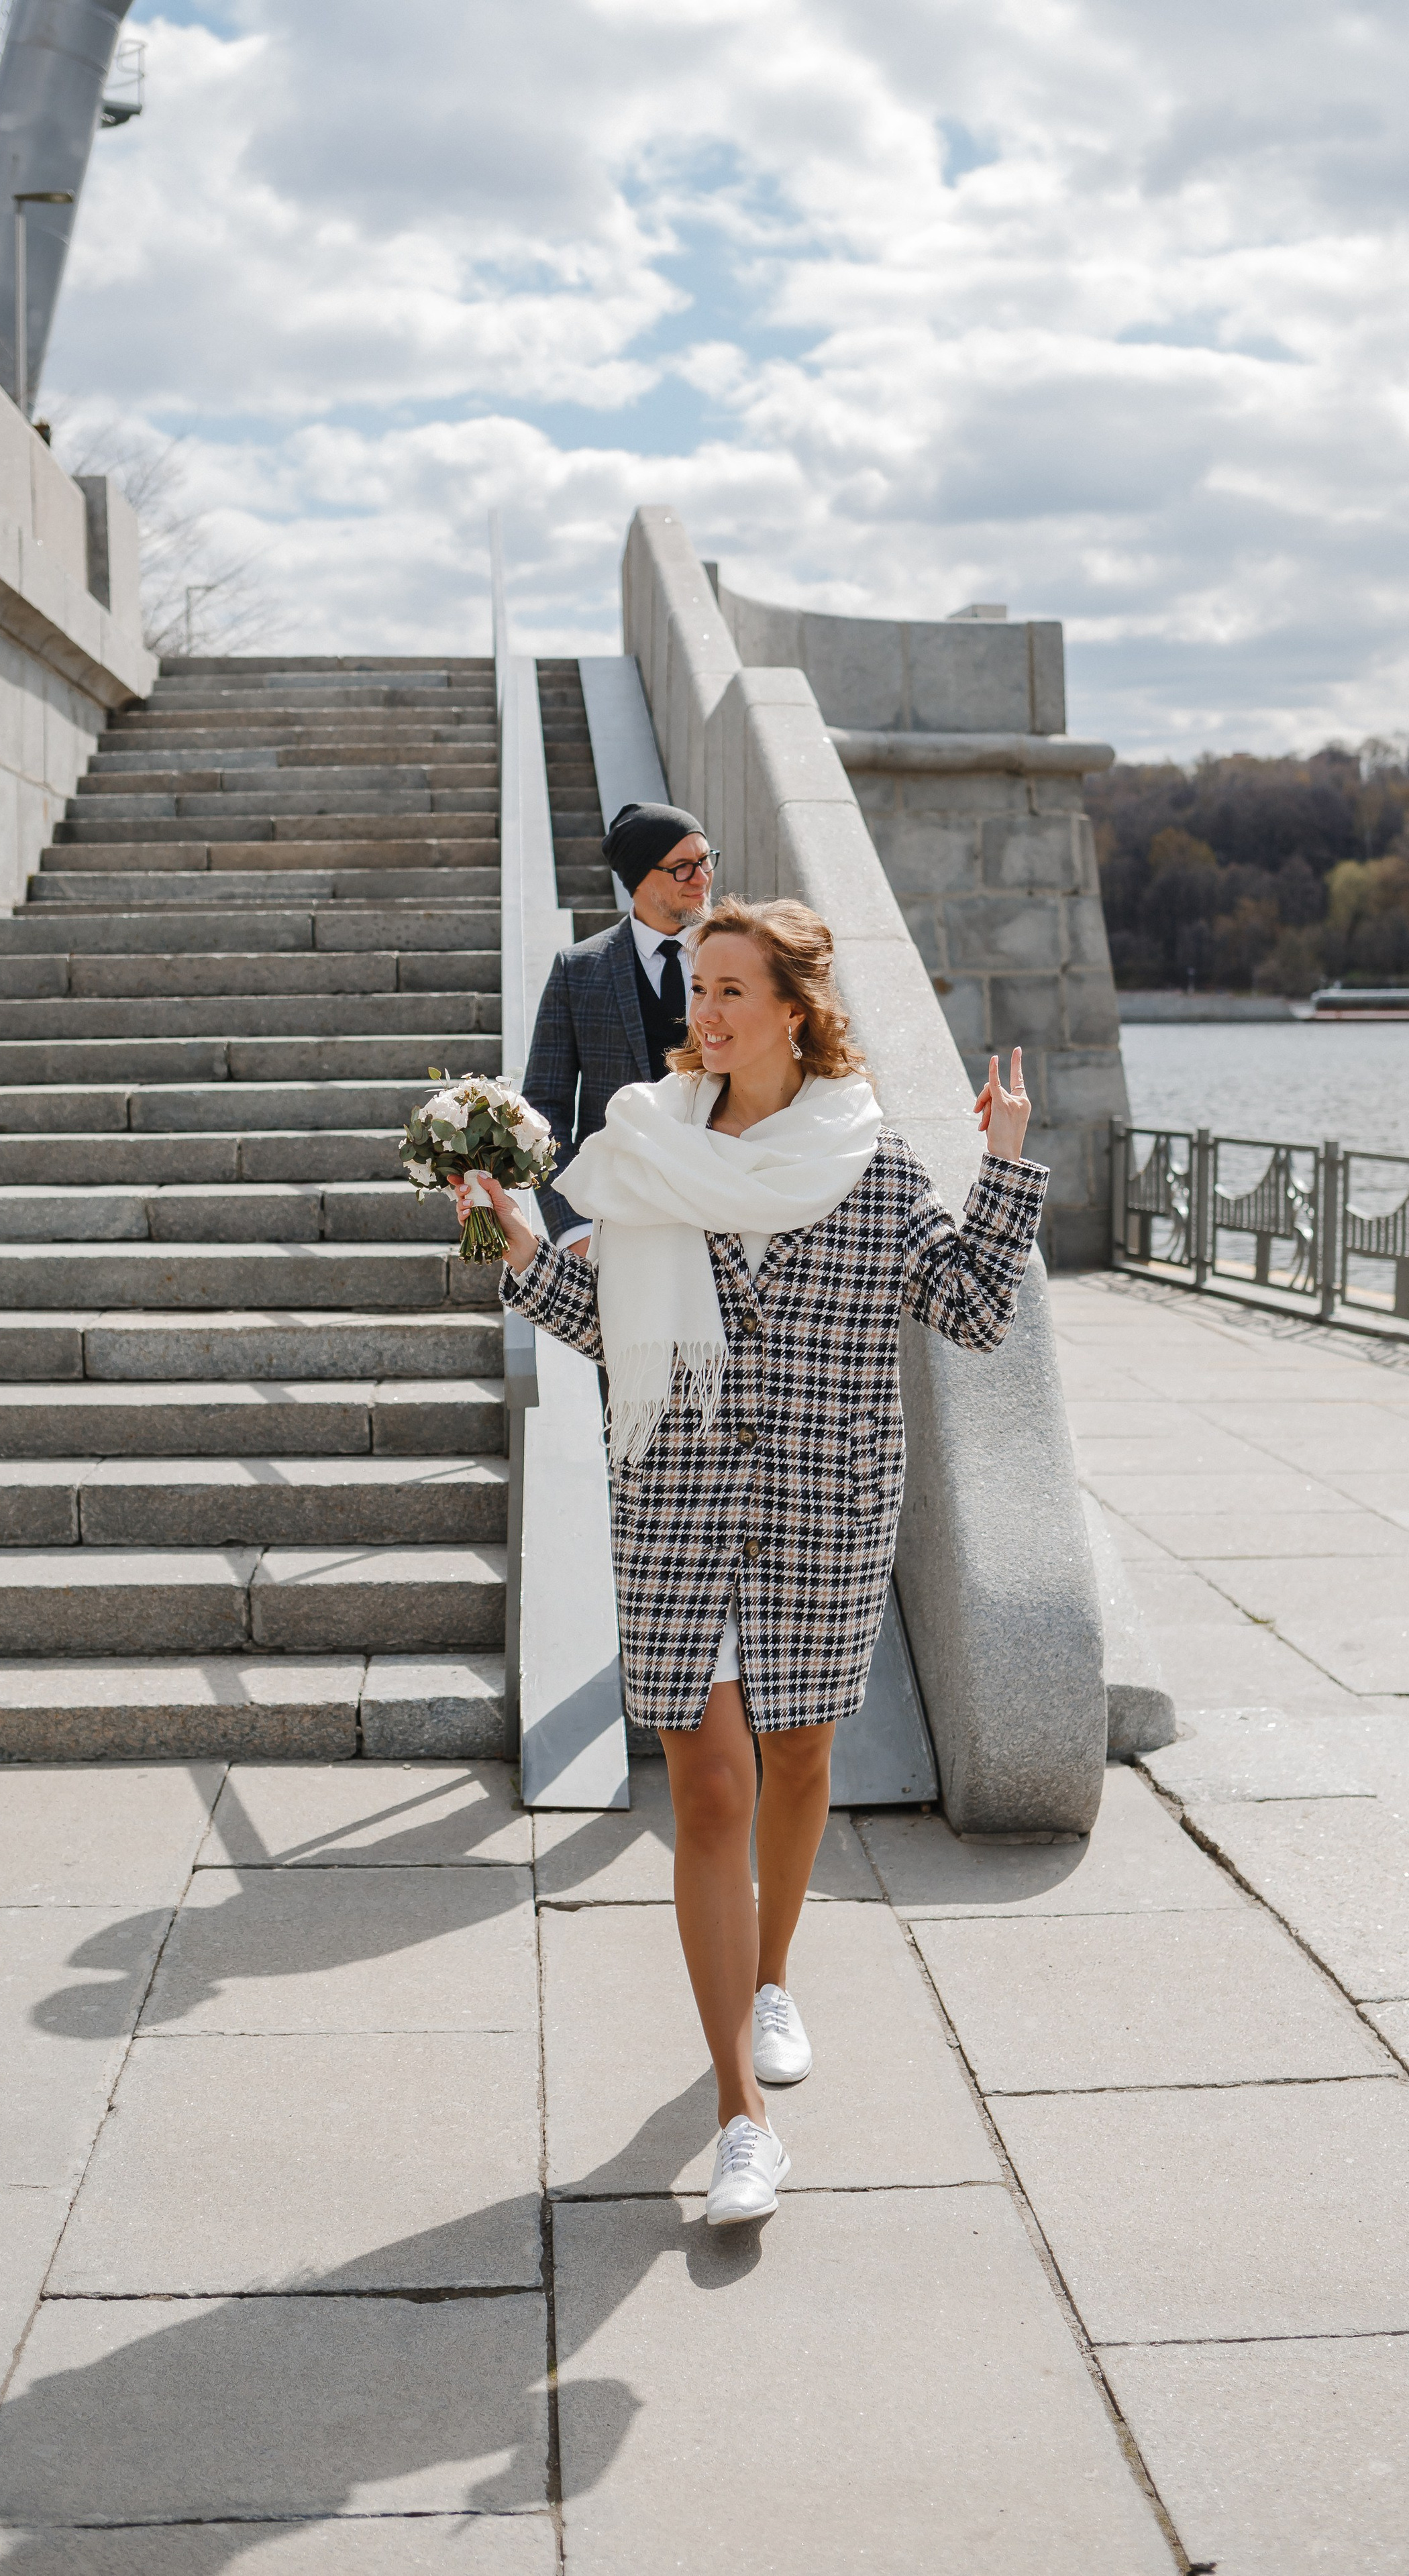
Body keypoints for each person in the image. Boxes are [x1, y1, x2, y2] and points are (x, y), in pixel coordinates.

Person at [459, 896, 1046, 2226]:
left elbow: (969, 1312)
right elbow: (614, 1326)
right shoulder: (643, 1148)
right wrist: (512, 1255)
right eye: (697, 990)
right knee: (708, 1790)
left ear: (795, 1010)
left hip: (824, 1513)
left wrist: (1004, 1171)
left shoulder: (876, 1166)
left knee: (795, 1761)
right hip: (671, 1501)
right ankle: (740, 2113)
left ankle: (770, 1972)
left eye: (730, 992)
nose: (701, 1015)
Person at [522, 801, 716, 1250]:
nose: (703, 878)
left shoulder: (742, 956)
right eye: (684, 867)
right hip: (615, 1221)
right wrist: (574, 1227)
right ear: (640, 878)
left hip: (723, 1211)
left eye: (706, 860)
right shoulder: (580, 969)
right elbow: (543, 1109)